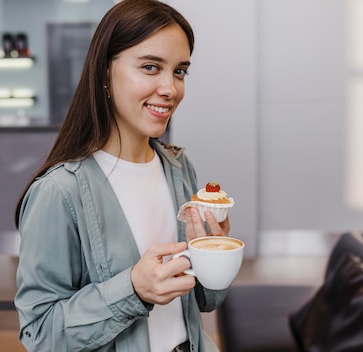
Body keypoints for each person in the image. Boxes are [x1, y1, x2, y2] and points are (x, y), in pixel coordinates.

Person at [14, 0, 231, 351]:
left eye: (179, 71)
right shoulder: (59, 192)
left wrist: (213, 254)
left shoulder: (179, 169)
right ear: (104, 72)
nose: (170, 89)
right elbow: (40, 335)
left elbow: (204, 300)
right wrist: (133, 288)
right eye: (150, 67)